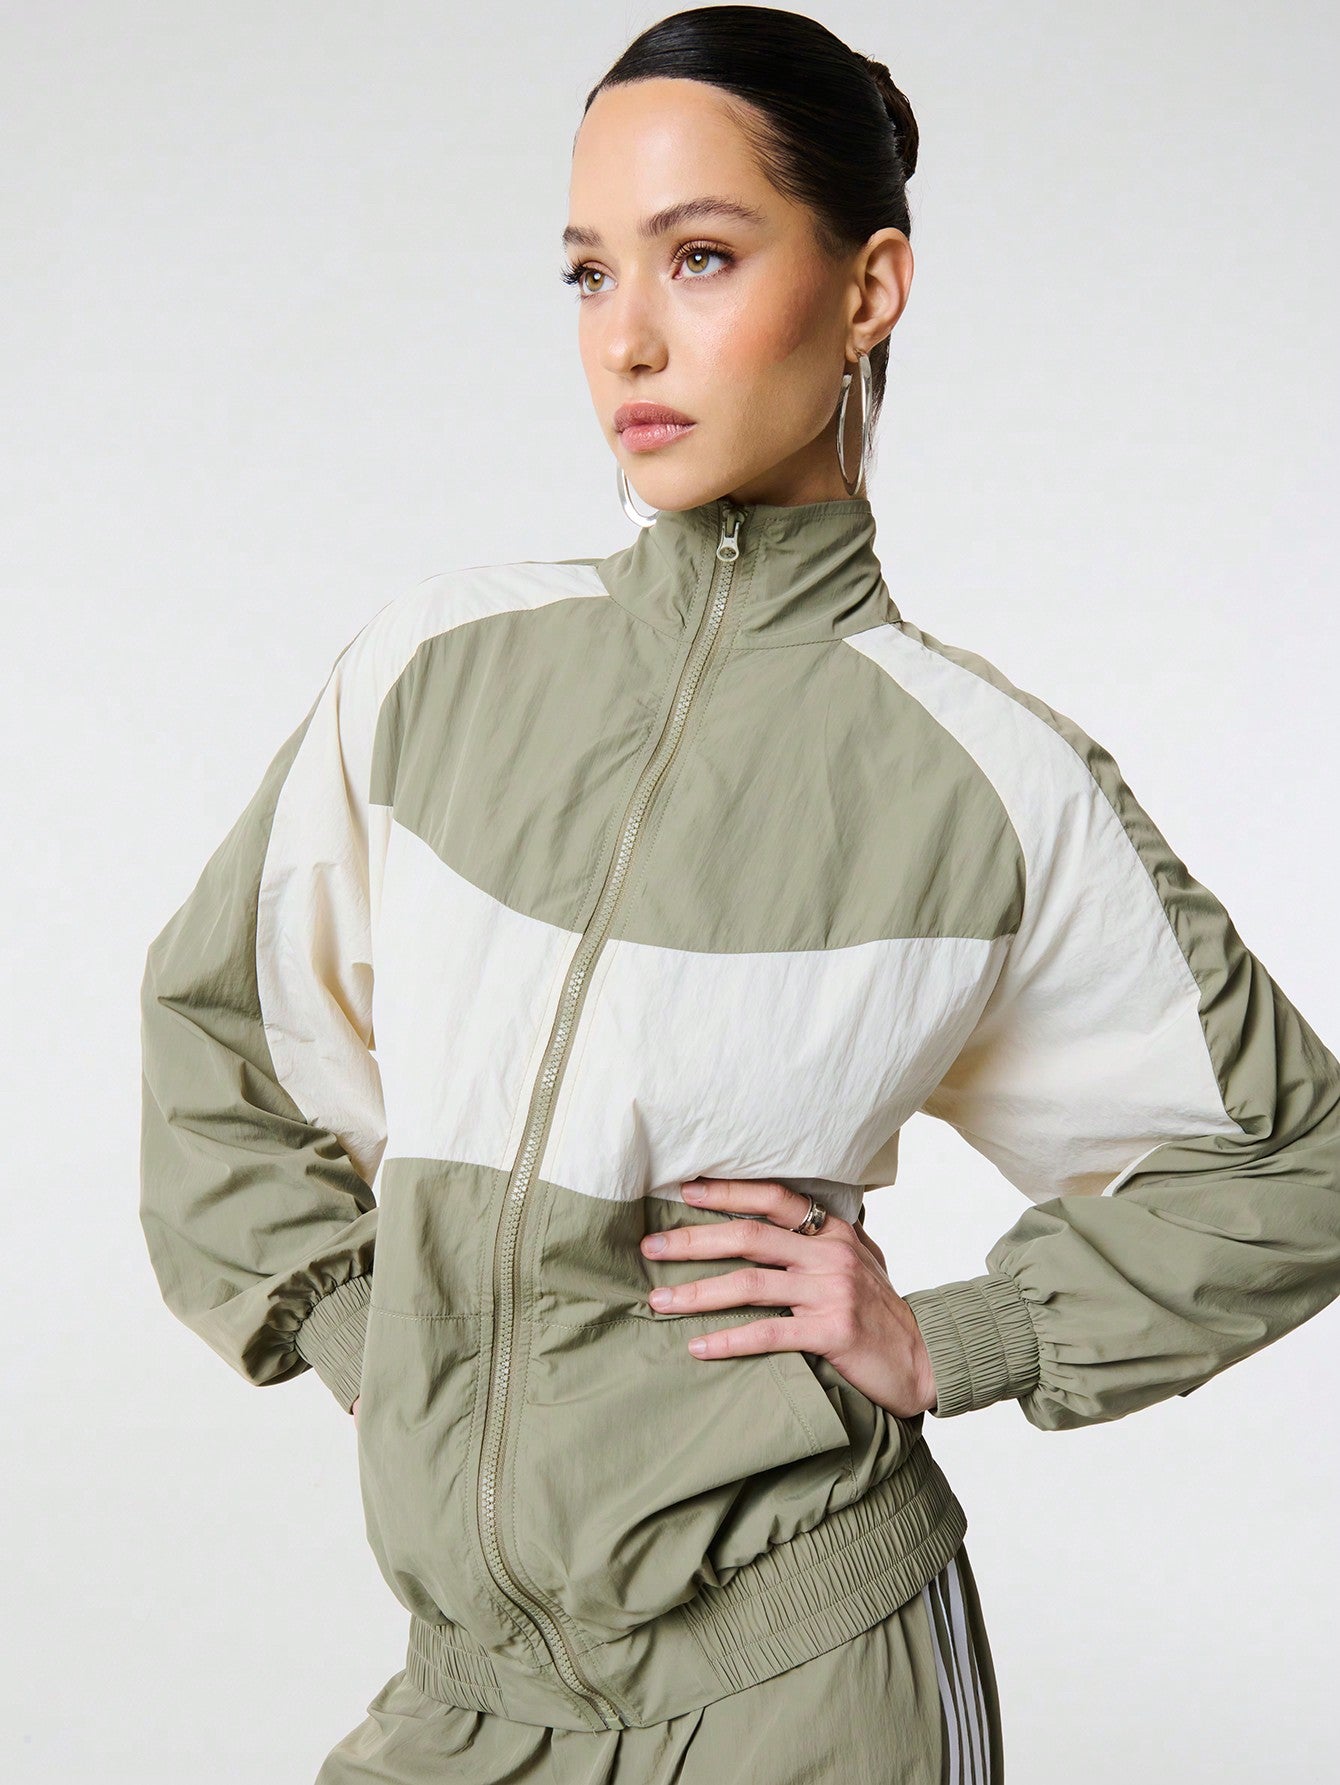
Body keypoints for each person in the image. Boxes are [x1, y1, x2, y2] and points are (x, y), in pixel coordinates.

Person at [137, 8, 1340, 1782]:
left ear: (869, 291)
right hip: (472, 1686)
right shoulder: (435, 671)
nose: (627, 336)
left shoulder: (987, 777)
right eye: (588, 272)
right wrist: (358, 1320)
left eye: (700, 257)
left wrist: (956, 1335)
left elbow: (1295, 1160)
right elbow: (220, 1035)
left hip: (809, 1676)